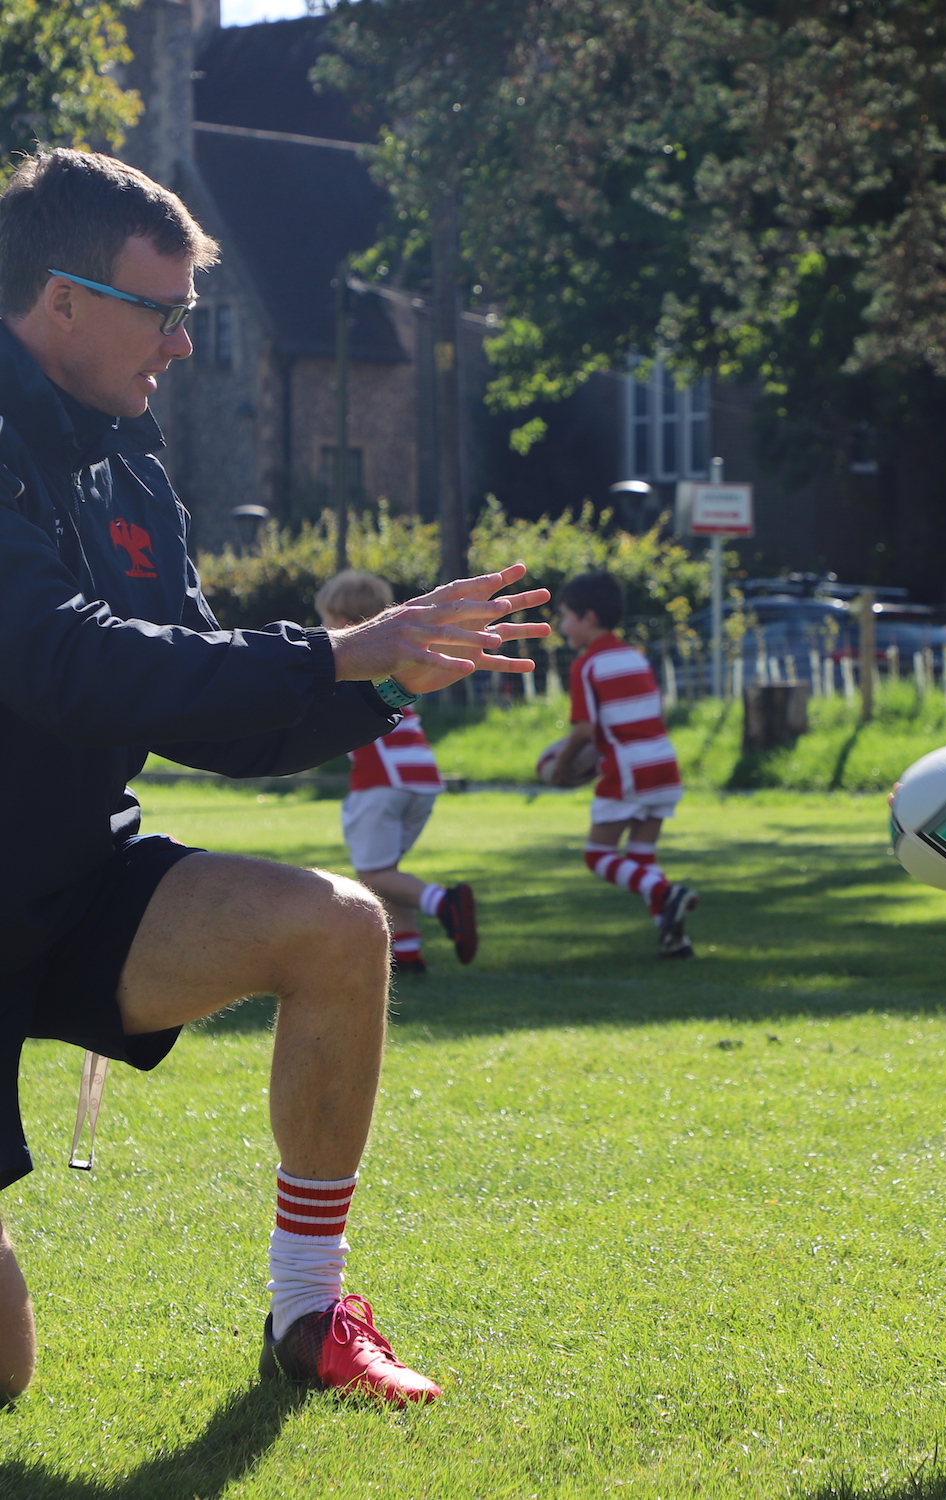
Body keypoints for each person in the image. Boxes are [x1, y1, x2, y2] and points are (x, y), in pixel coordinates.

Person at [0, 148, 549, 1404]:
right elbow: (61, 659)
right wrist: (338, 646)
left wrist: (390, 682)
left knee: (343, 927)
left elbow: (210, 708)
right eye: (162, 311)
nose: (186, 344)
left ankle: (311, 1316)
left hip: (68, 885)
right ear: (63, 302)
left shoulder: (132, 466)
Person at [316, 569, 478, 976]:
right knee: (387, 871)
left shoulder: (352, 661)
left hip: (381, 780)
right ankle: (407, 951)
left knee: (374, 873)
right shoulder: (397, 656)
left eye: (326, 620)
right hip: (420, 779)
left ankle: (445, 904)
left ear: (343, 623)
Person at [549, 572, 697, 957]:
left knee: (598, 855)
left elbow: (584, 730)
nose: (562, 627)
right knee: (642, 857)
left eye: (565, 617)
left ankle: (666, 892)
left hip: (629, 769)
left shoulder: (587, 665)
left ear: (589, 617)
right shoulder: (635, 657)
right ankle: (675, 939)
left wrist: (563, 764)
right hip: (664, 764)